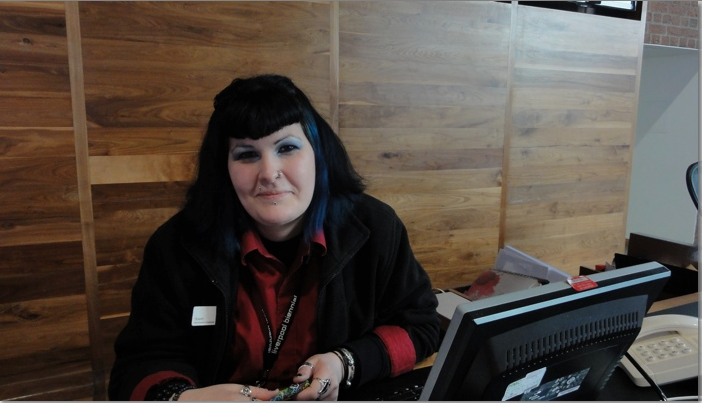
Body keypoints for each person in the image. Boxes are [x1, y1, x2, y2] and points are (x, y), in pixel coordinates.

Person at [108, 74, 440, 401]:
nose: (269, 173)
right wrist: (181, 399)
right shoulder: (176, 245)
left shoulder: (375, 228)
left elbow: (420, 327)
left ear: (318, 155)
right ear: (223, 168)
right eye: (247, 154)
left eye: (287, 147)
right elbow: (138, 364)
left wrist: (346, 362)